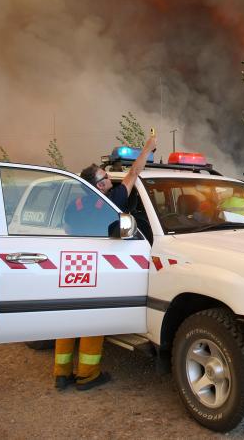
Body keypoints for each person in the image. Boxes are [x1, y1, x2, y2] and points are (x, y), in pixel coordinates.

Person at [54, 134, 156, 391]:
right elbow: (133, 173)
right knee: (92, 321)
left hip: (72, 265)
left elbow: (66, 229)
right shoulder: (111, 201)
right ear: (99, 185)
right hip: (96, 267)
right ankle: (88, 376)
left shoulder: (73, 205)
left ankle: (61, 374)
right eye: (106, 176)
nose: (110, 178)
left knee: (67, 320)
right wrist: (147, 147)